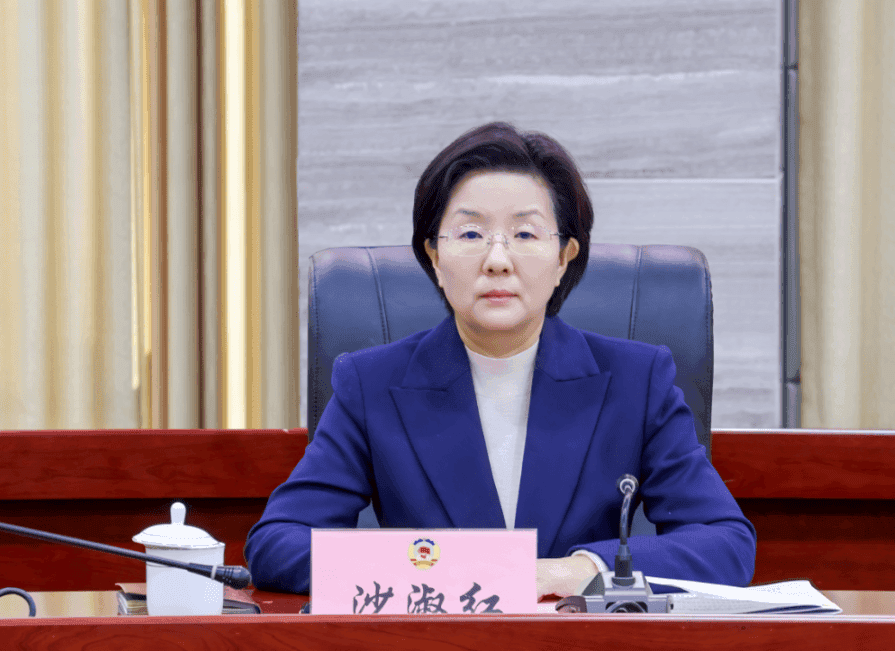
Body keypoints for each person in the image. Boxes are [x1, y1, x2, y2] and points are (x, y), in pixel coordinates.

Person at [245, 122, 756, 597]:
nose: (497, 259)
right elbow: (278, 543)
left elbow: (725, 543)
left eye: (525, 234)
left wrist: (575, 570)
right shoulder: (371, 383)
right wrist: (439, 569)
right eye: (470, 234)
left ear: (564, 257)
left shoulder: (637, 381)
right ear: (434, 257)